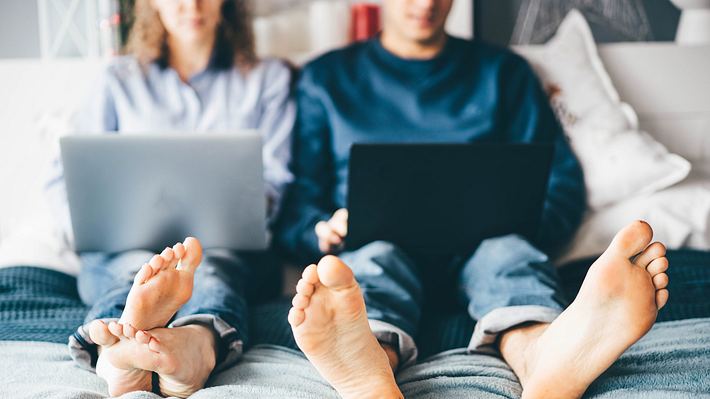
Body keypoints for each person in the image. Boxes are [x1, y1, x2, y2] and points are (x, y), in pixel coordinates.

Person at [272, 0, 671, 398]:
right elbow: (296, 211)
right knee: (373, 266)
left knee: (509, 259)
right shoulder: (325, 79)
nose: (427, 4)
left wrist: (522, 220)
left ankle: (541, 351)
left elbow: (560, 184)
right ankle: (369, 360)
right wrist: (325, 230)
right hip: (374, 244)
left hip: (488, 243)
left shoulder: (504, 72)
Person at [44, 0, 295, 397]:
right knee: (132, 271)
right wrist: (88, 226)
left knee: (209, 268)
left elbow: (277, 181)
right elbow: (65, 180)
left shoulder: (268, 79)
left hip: (225, 248)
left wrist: (245, 205)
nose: (191, 5)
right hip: (125, 247)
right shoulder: (117, 79)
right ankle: (127, 343)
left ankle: (186, 343)